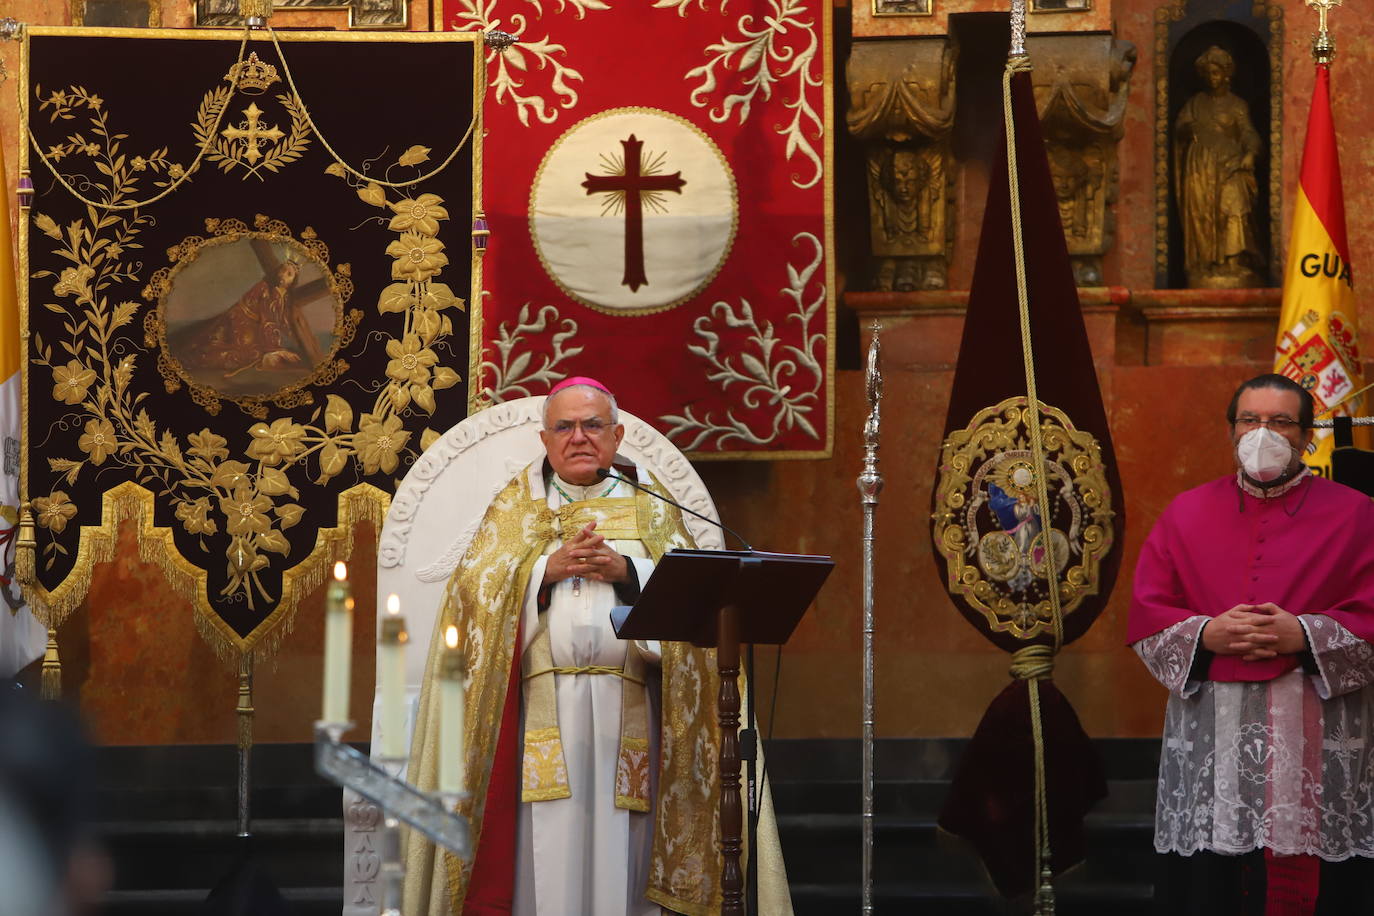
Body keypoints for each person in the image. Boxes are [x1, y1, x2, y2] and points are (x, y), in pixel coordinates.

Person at [402, 377, 791, 916]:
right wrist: (540, 573)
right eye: (564, 426)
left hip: (627, 714)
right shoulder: (517, 505)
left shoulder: (651, 507)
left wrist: (628, 570)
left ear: (617, 435)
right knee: (543, 860)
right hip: (542, 715)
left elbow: (695, 603)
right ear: (545, 438)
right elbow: (471, 598)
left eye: (593, 425)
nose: (579, 437)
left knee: (622, 858)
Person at [1127, 373, 1374, 914]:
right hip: (1215, 736)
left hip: (1314, 733)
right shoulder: (1185, 512)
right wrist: (1206, 633)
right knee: (1214, 883)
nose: (1263, 433)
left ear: (1309, 436)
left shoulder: (1358, 513)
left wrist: (1305, 635)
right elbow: (1148, 613)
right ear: (1231, 430)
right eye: (1250, 420)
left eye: (1281, 422)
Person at [1173, 45, 1263, 289]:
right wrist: (1186, 130)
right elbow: (1179, 128)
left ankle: (1234, 262)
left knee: (1234, 207)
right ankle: (1205, 263)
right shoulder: (1195, 103)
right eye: (1208, 73)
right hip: (1200, 168)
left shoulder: (1237, 105)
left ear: (1226, 74)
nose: (1212, 78)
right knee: (1201, 214)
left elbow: (1249, 134)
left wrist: (1250, 155)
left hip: (1229, 166)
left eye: (1216, 73)